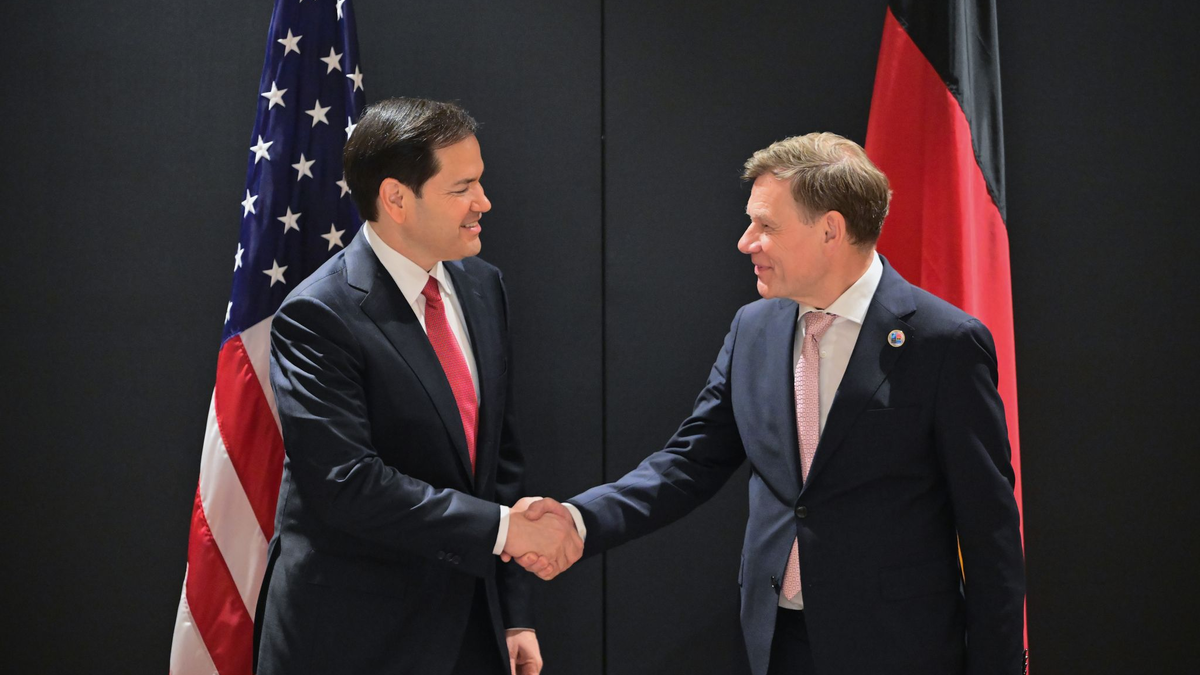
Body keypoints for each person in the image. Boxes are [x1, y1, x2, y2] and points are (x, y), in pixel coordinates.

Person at [519, 133, 1026, 675]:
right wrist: (578, 518)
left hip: (897, 647)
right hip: (773, 643)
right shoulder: (753, 328)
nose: (745, 242)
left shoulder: (943, 343)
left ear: (830, 229)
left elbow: (988, 529)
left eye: (766, 225)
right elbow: (689, 462)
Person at [253, 97, 582, 675]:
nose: (484, 203)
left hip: (470, 630)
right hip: (355, 640)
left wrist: (513, 612)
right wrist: (506, 531)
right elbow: (347, 484)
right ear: (397, 198)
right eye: (463, 188)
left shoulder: (483, 285)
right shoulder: (317, 314)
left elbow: (497, 463)